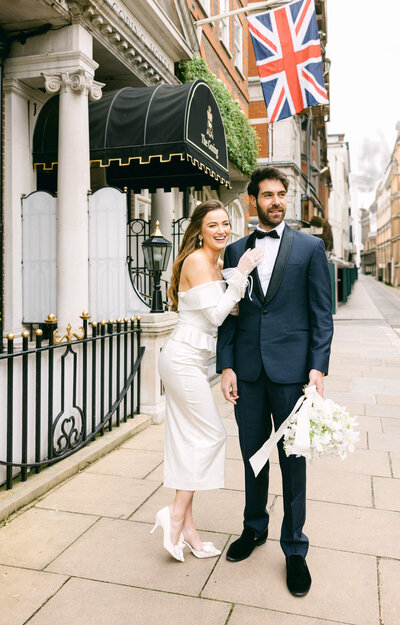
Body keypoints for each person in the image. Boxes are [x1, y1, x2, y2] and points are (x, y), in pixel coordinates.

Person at [217, 167, 333, 596]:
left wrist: (317, 368)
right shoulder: (233, 252)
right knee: (253, 456)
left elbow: (323, 314)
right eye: (267, 195)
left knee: (293, 461)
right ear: (253, 201)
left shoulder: (309, 248)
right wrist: (226, 366)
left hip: (292, 374)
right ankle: (254, 527)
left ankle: (295, 548)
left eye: (281, 194)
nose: (276, 201)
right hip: (246, 373)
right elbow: (230, 317)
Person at [152, 199, 263, 562]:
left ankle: (188, 529)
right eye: (213, 224)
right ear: (200, 229)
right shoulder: (199, 260)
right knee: (212, 435)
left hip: (193, 362)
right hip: (182, 359)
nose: (221, 231)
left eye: (225, 224)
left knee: (189, 442)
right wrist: (243, 272)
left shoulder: (215, 264)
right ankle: (175, 513)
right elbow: (217, 316)